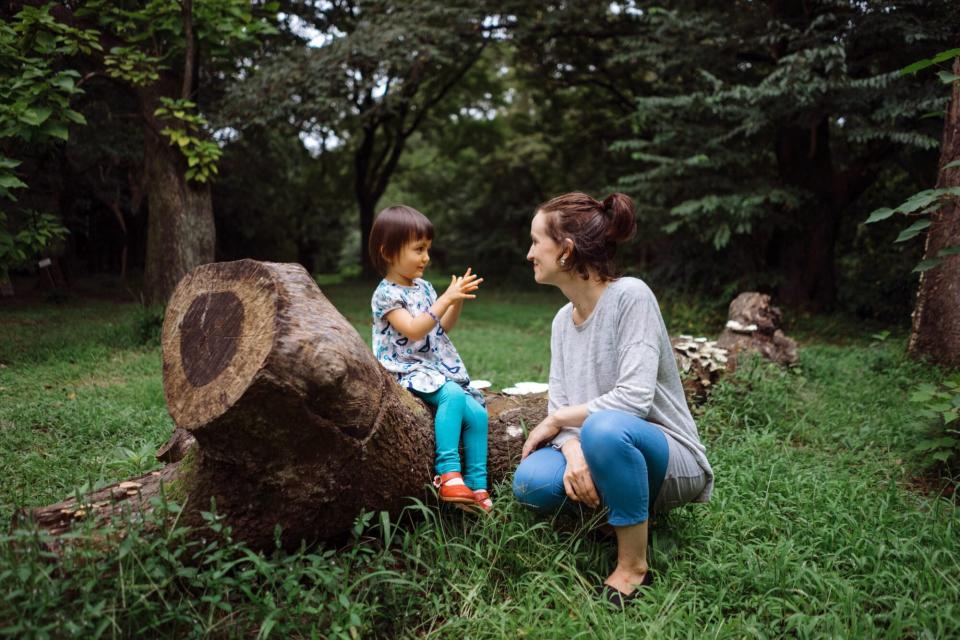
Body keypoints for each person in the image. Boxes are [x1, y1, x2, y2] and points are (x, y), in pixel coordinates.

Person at [513, 191, 714, 605]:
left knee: (604, 429)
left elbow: (634, 400)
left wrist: (557, 424)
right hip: (603, 443)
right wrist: (571, 451)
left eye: (536, 242)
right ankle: (616, 512)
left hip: (669, 454)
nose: (529, 253)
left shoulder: (631, 296)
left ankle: (632, 566)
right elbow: (560, 406)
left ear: (566, 251)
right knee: (531, 483)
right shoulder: (560, 322)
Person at [369, 204, 492, 512]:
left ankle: (477, 486)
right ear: (388, 252)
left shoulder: (423, 287)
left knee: (477, 414)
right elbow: (412, 329)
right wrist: (445, 300)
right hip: (402, 368)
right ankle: (448, 474)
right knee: (451, 394)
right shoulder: (385, 293)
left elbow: (440, 327)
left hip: (430, 367)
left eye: (428, 249)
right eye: (418, 249)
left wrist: (455, 302)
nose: (426, 257)